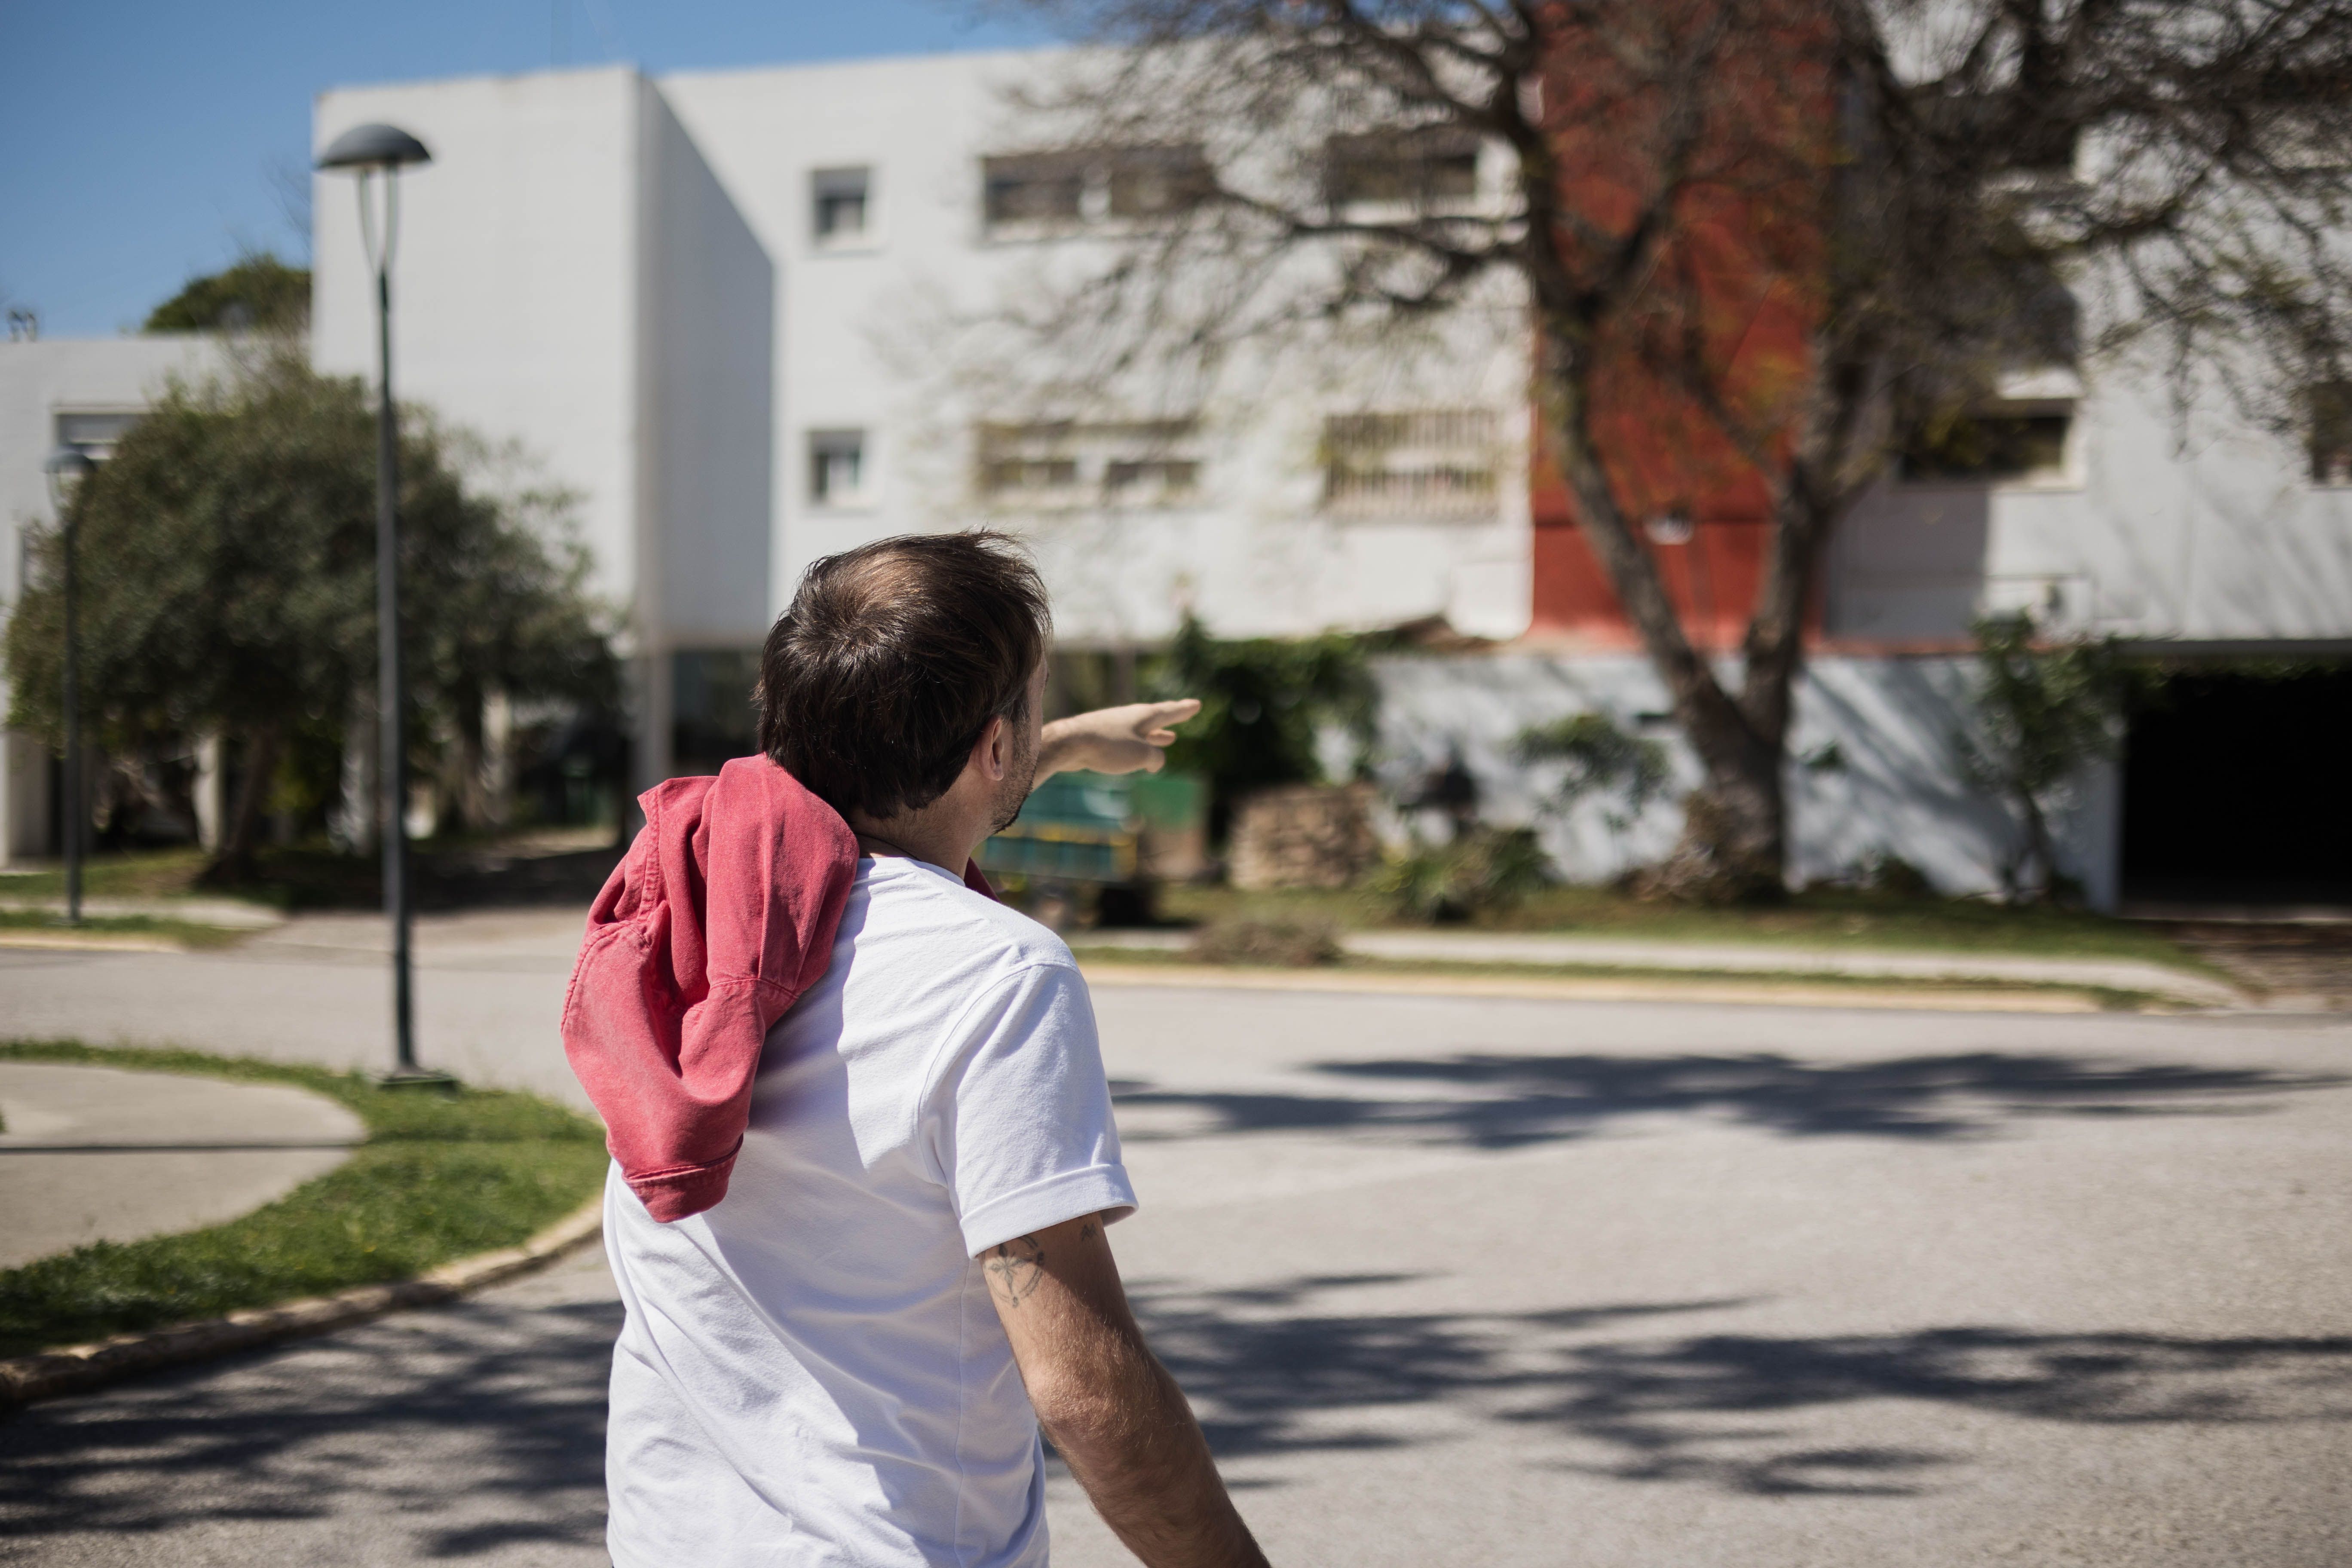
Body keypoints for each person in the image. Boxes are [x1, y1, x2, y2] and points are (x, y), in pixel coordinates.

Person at [593, 532, 1268, 1568]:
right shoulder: (997, 979)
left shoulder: (695, 896)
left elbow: (894, 813)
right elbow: (1083, 1388)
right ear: (992, 748)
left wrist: (1070, 739)